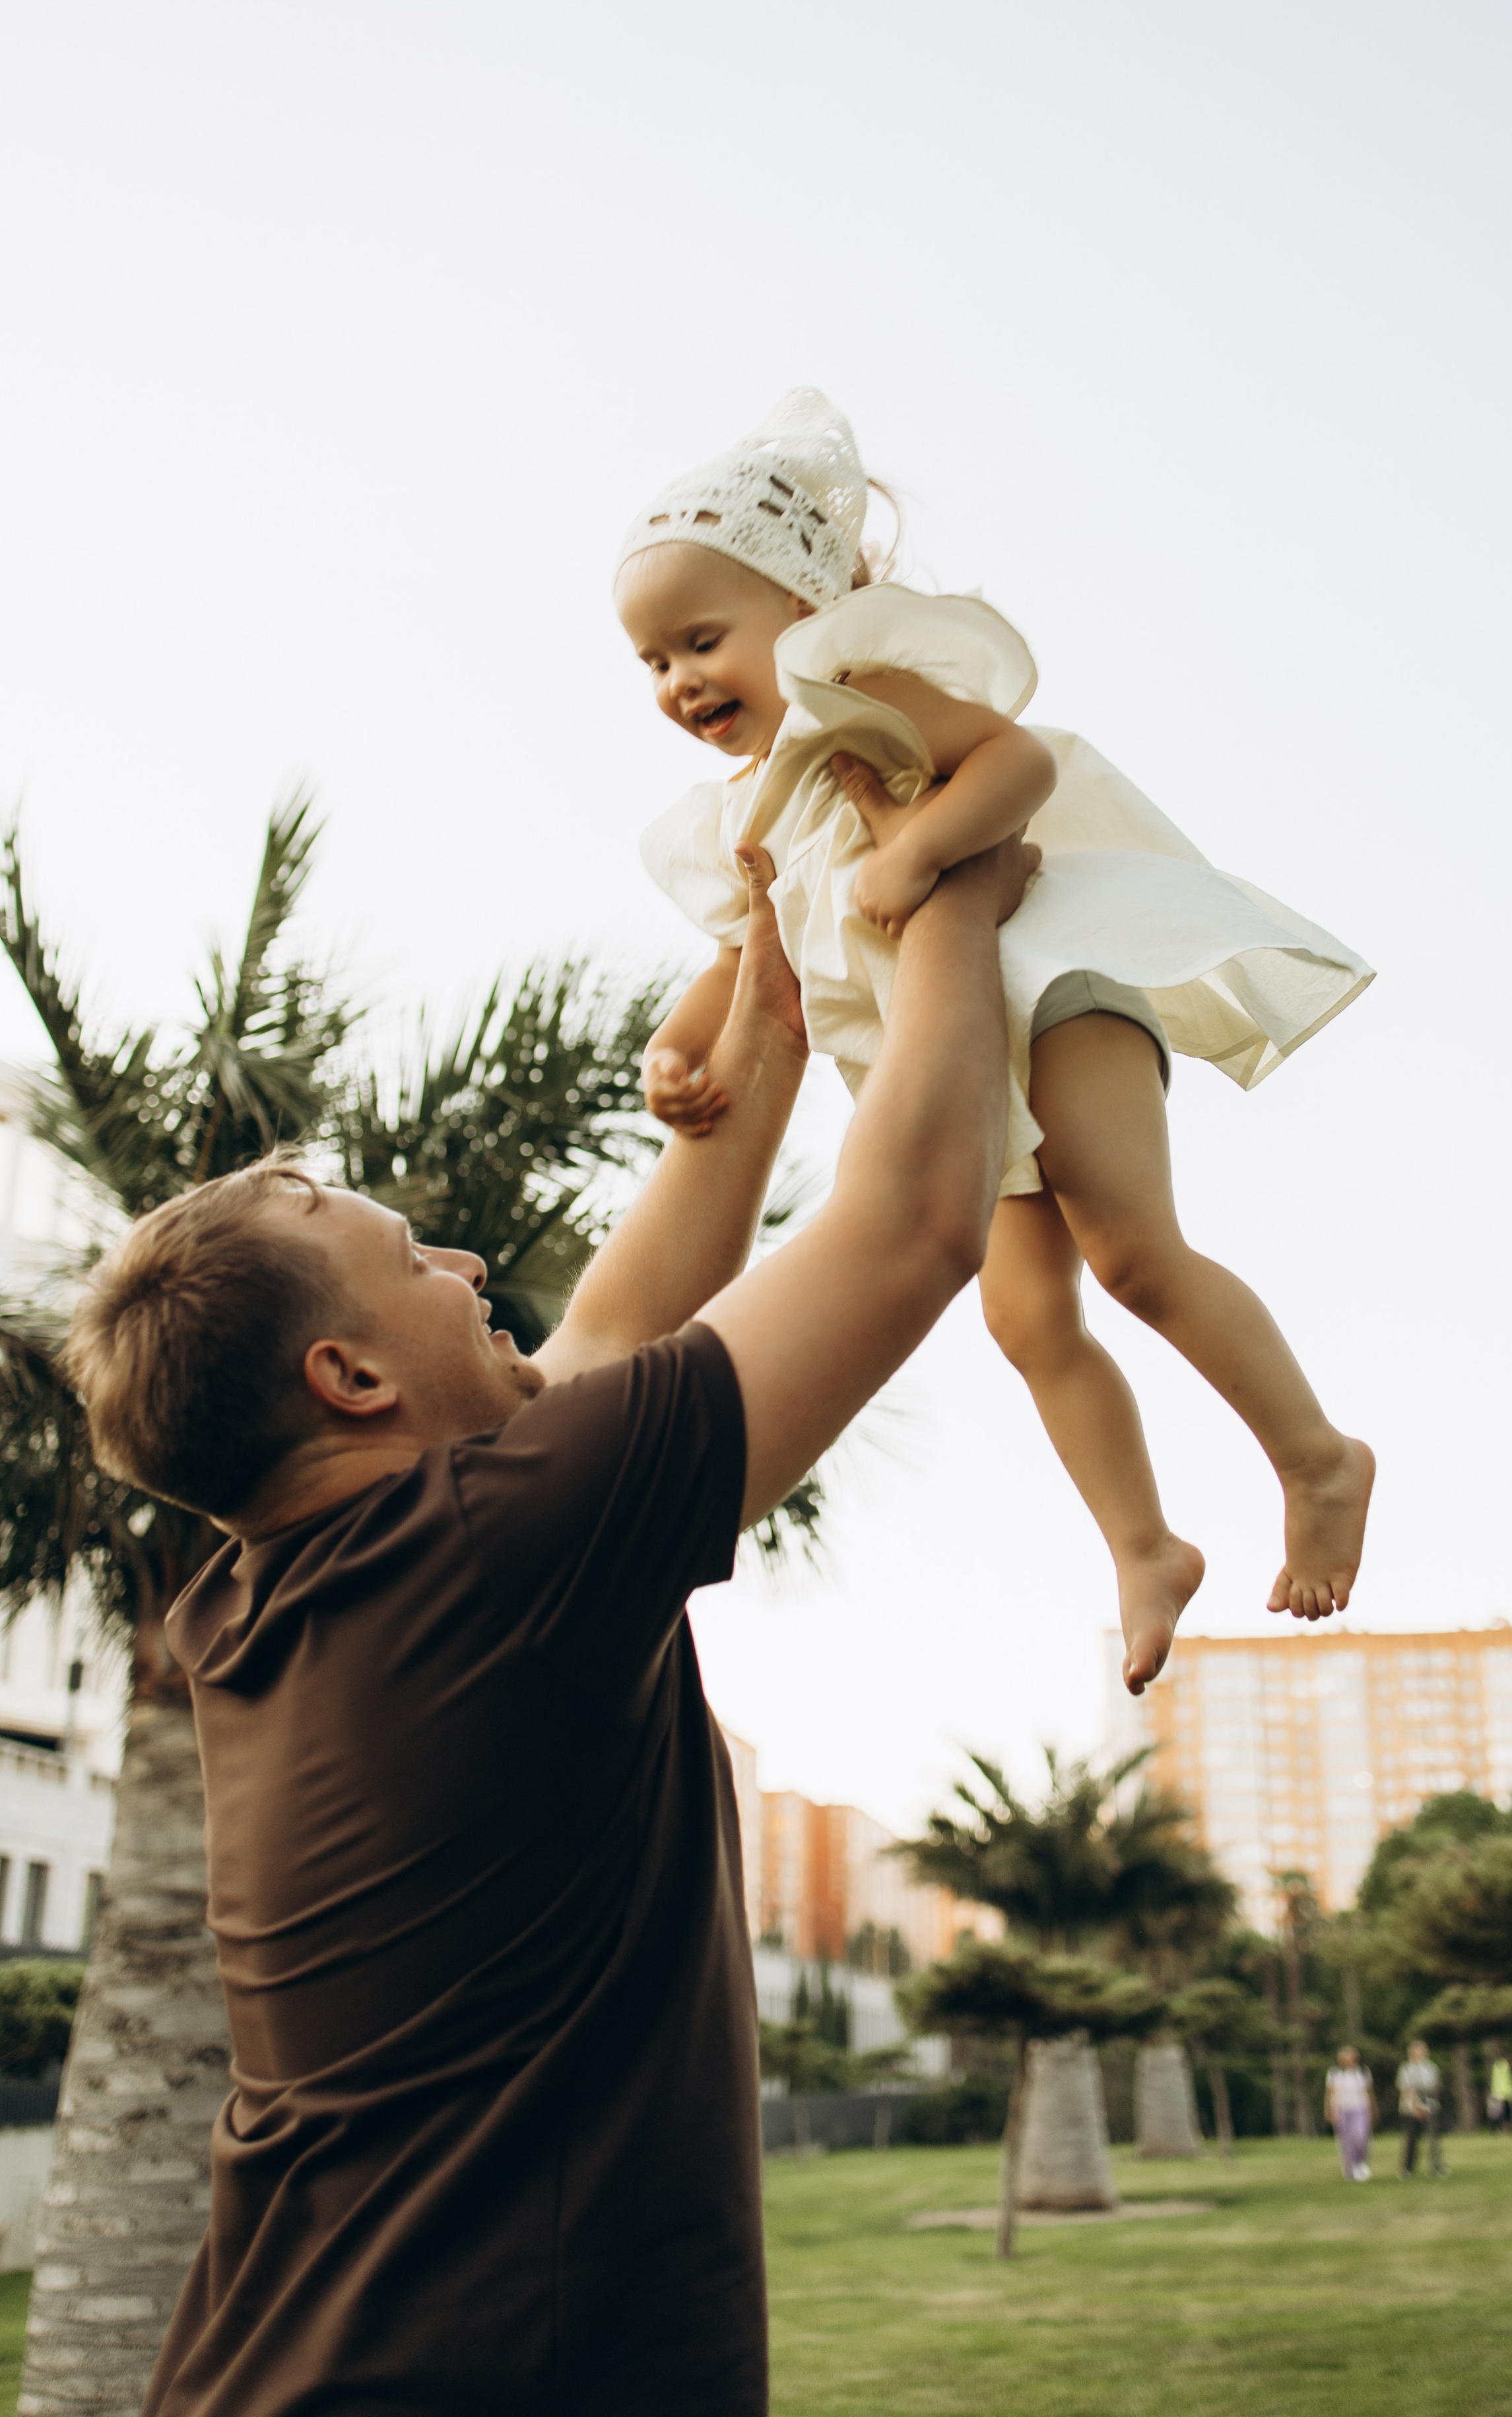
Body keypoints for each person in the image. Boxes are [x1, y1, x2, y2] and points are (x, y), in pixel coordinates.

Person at [65, 828, 1037, 2417]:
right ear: (351, 1381)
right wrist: (960, 889)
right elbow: (918, 1220)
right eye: (413, 1260)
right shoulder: (490, 1546)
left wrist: (774, 975)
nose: (464, 1263)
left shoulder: (281, 1596)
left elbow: (615, 1319)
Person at [620, 389, 1376, 1696]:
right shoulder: (744, 813)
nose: (680, 681)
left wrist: (916, 844)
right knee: (1027, 1319)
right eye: (651, 664)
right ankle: (1144, 1547)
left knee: (1131, 1250)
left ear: (798, 609)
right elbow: (746, 949)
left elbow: (1015, 763)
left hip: (1048, 979)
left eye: (699, 640)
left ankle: (1314, 1455)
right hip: (954, 1055)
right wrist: (682, 1051)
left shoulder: (852, 686)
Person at [1397, 2038, 1447, 2177]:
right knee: (1411, 2139)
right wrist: (1415, 2108)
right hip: (1411, 2107)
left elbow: (1435, 2087)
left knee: (1434, 2139)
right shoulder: (1406, 2068)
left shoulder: (1431, 2068)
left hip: (1430, 2105)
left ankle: (1436, 2167)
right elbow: (1406, 2089)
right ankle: (1408, 2169)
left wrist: (1425, 2106)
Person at [1325, 2045, 1377, 2181]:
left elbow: (1370, 2093)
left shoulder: (1363, 2072)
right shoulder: (1335, 2073)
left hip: (1360, 2108)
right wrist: (1329, 2111)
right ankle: (1351, 2169)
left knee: (1360, 2137)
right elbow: (1330, 2093)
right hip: (1342, 2109)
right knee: (1346, 2141)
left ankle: (1361, 2163)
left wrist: (1373, 2111)